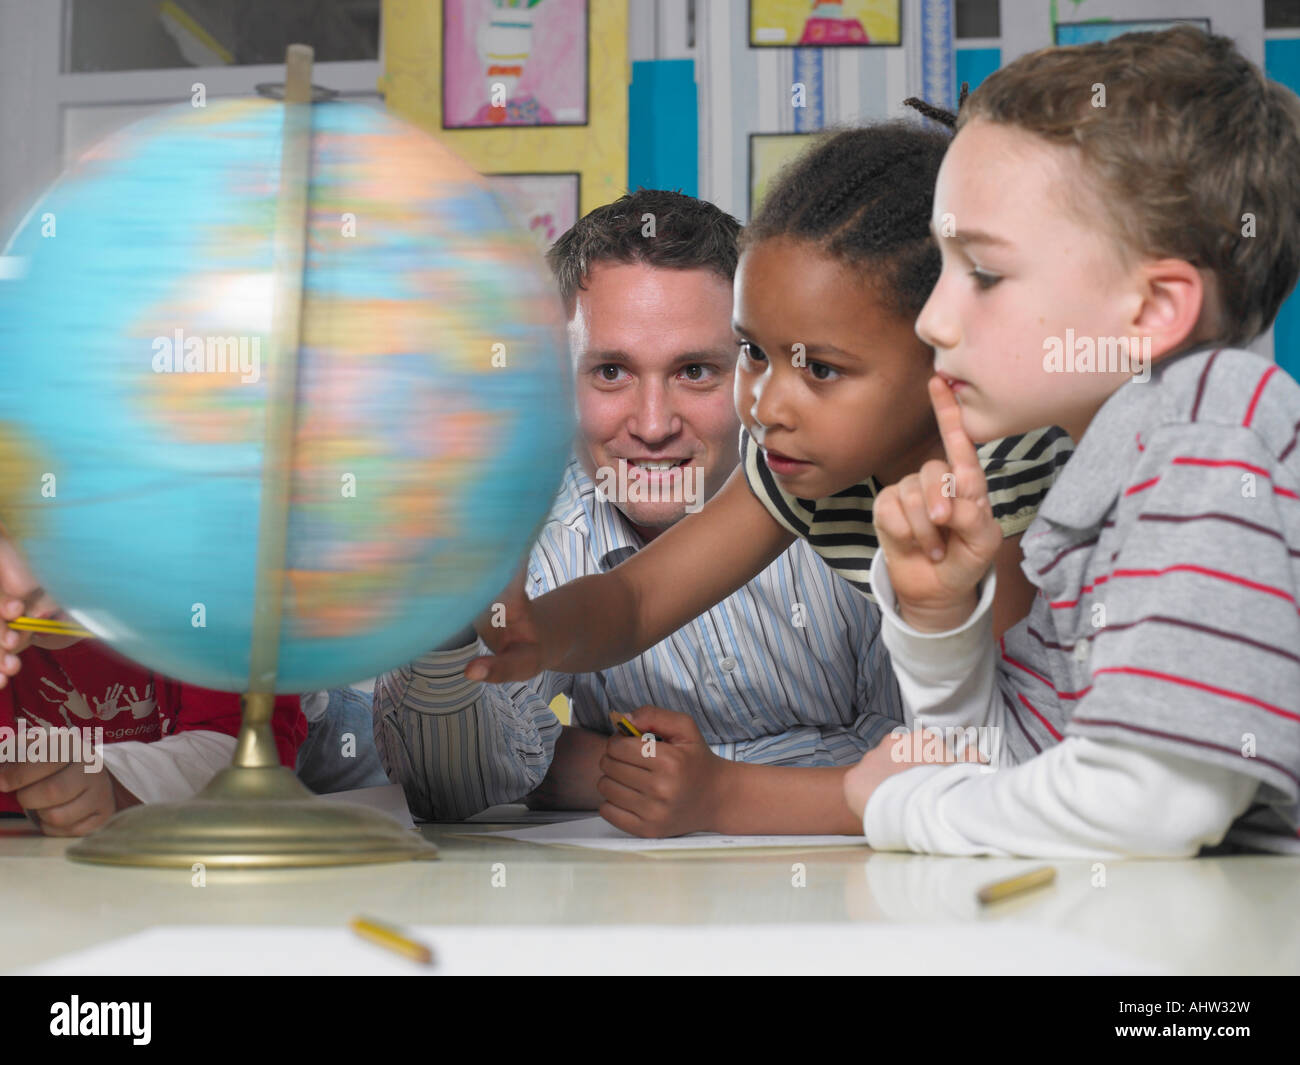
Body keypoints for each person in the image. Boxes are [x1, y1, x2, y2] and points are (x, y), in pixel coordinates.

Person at [463, 121, 1073, 837]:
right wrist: (543, 631)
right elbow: (635, 601)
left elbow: (995, 775)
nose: (766, 405)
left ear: (941, 350)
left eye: (820, 368)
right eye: (753, 351)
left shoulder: (1003, 477)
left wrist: (724, 796)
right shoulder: (809, 463)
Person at [843, 25, 1300, 857]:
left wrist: (908, 807)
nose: (931, 319)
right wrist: (944, 627)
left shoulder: (1212, 426)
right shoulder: (1108, 485)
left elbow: (1148, 804)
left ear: (1154, 312)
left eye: (982, 272)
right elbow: (1029, 776)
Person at [374, 188, 909, 835]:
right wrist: (450, 627)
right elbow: (455, 787)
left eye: (694, 371)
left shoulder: (843, 482)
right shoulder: (536, 521)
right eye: (610, 373)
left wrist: (595, 768)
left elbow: (933, 755)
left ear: (754, 367)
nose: (653, 425)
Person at [0, 530, 306, 835]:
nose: (26, 583)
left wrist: (113, 782)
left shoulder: (208, 586)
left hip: (312, 745)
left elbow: (246, 750)